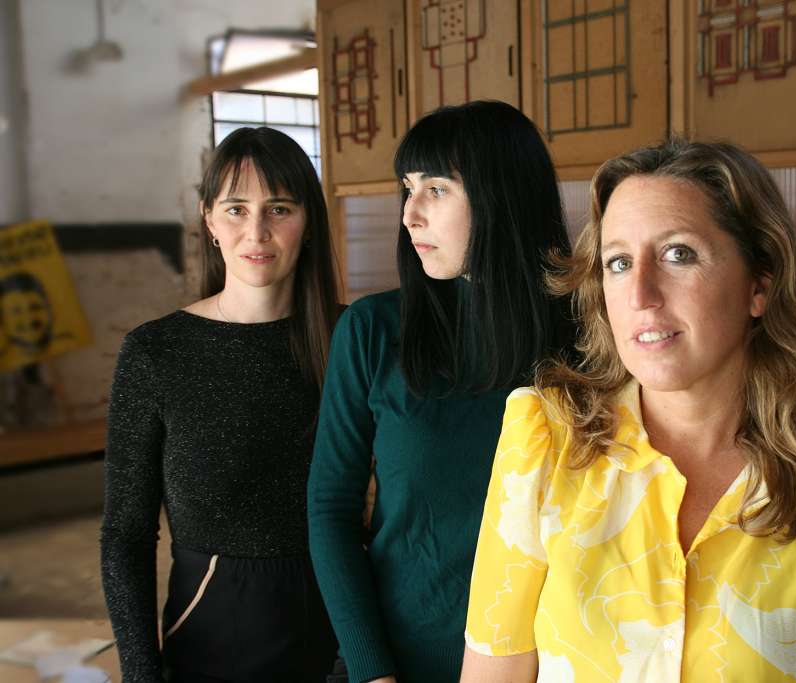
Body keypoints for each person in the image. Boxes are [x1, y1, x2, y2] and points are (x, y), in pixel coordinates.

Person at [462, 138, 796, 682]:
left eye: (678, 254)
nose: (641, 293)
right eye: (618, 262)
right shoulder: (545, 440)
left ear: (759, 285)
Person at [308, 100, 575, 683]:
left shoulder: (587, 333)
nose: (409, 215)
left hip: (556, 658)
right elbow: (330, 508)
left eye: (436, 189)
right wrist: (370, 669)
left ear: (502, 194)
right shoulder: (375, 330)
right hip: (407, 657)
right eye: (407, 189)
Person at [101, 127, 341, 683]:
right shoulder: (156, 352)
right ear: (209, 220)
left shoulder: (354, 339)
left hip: (343, 631)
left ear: (307, 224)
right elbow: (126, 534)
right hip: (212, 634)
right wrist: (141, 671)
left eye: (278, 208)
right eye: (236, 209)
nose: (256, 231)